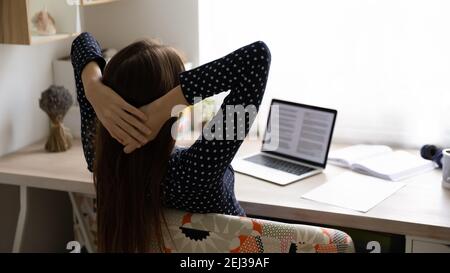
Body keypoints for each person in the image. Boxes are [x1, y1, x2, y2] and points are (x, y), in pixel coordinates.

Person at [71, 32, 271, 252]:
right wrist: (163, 108)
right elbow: (256, 58)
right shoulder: (196, 171)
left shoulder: (101, 157)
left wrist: (93, 87)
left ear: (105, 106)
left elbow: (82, 41)